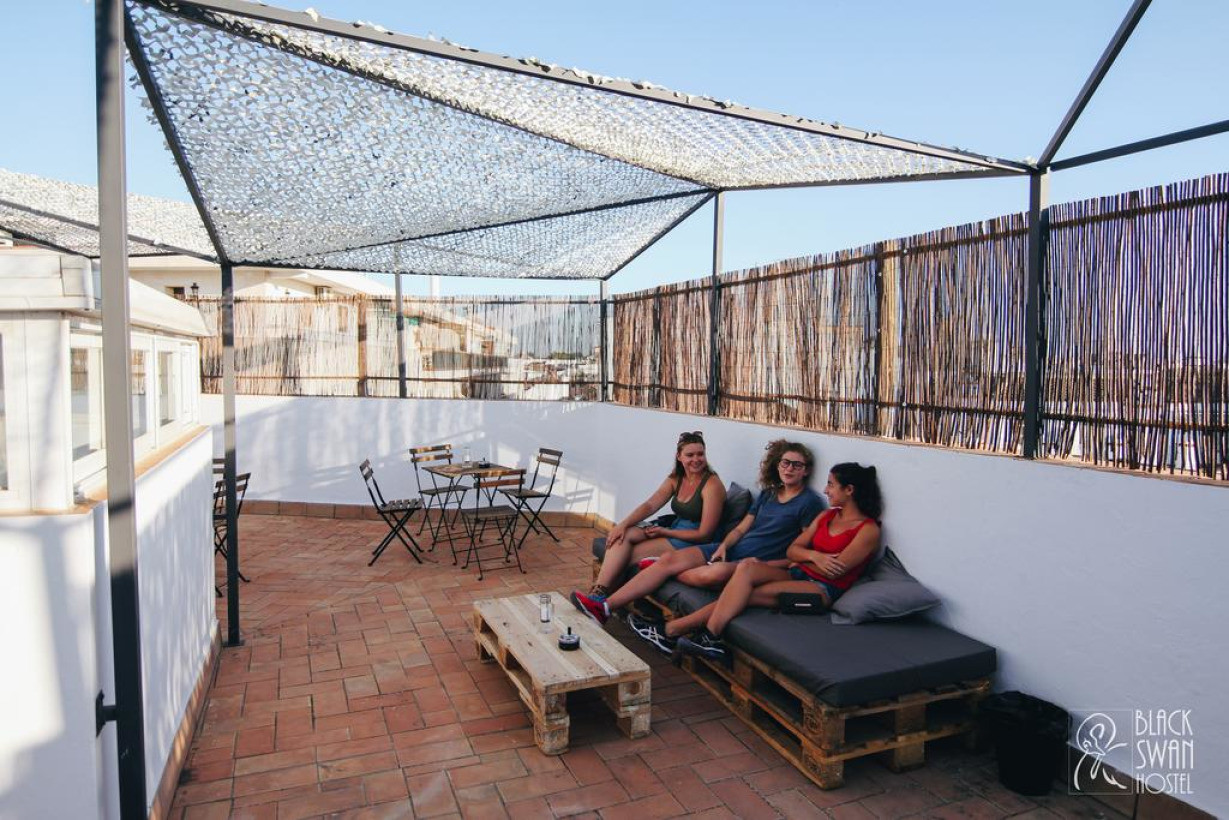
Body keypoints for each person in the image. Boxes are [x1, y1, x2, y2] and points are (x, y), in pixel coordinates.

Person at [571, 440, 825, 642]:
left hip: (753, 562)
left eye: (797, 465)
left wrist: (768, 565)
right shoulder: (769, 494)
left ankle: (655, 570)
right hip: (729, 549)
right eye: (785, 463)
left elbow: (801, 550)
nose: (789, 469)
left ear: (806, 471)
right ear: (777, 465)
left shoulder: (809, 503)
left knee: (708, 575)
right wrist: (725, 545)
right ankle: (603, 607)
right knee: (667, 561)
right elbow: (741, 529)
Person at [667, 462, 883, 665]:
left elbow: (834, 572)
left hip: (821, 589)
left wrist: (801, 560)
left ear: (849, 490)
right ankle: (683, 633)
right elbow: (793, 550)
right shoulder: (827, 516)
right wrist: (814, 556)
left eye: (831, 485)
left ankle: (697, 634)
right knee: (746, 567)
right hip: (797, 573)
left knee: (744, 595)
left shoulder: (867, 529)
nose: (826, 490)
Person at [587, 431, 726, 599]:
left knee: (626, 556)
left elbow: (705, 534)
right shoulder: (676, 478)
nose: (696, 459)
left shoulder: (712, 485)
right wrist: (622, 525)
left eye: (700, 454)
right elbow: (650, 505)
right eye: (690, 455)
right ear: (679, 457)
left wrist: (665, 532)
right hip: (674, 529)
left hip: (691, 540)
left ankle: (601, 599)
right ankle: (598, 592)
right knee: (622, 536)